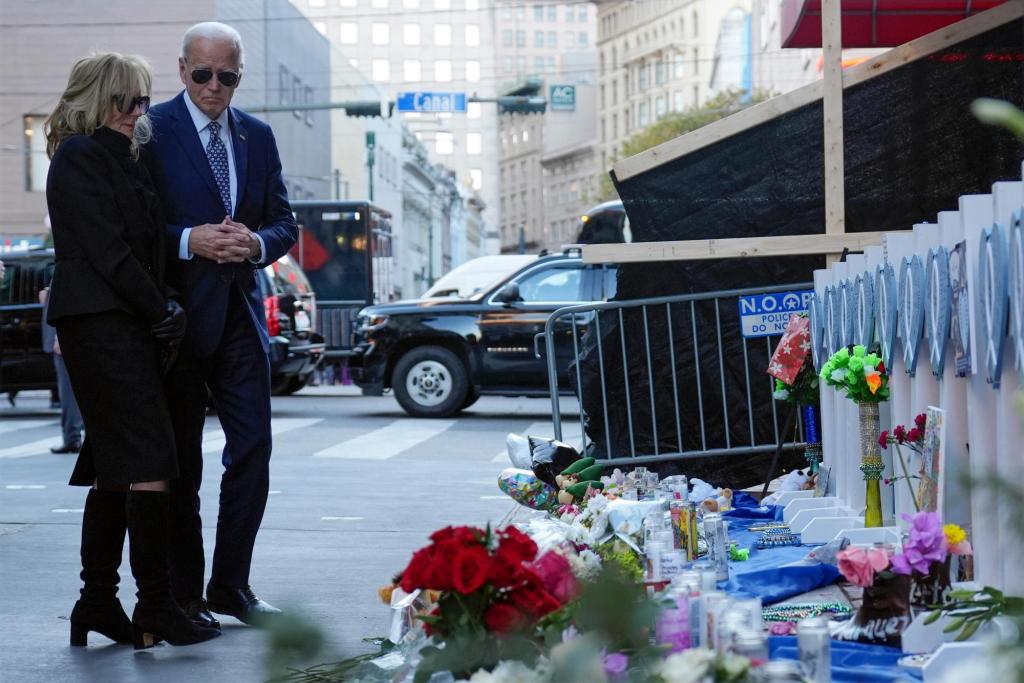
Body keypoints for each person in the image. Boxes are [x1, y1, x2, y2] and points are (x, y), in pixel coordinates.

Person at [44, 52, 220, 649]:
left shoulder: (130, 156)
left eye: (143, 101)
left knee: (118, 470)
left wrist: (167, 301)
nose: (137, 112)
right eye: (126, 101)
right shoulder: (77, 157)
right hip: (98, 323)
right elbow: (107, 251)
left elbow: (151, 245)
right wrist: (161, 309)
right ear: (96, 98)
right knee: (148, 463)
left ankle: (96, 603)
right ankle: (154, 605)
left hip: (133, 324)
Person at [145, 22, 297, 628]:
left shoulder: (257, 137)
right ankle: (184, 596)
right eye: (202, 74)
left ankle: (231, 585)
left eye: (226, 75)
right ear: (181, 71)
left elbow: (286, 222)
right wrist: (189, 240)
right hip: (177, 322)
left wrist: (257, 243)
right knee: (183, 464)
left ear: (239, 75)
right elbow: (132, 225)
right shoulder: (152, 131)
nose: (214, 86)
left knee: (253, 452)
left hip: (239, 316)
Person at [39, 286, 85, 453]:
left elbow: (69, 298)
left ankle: (72, 437)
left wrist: (60, 336)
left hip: (66, 338)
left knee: (68, 392)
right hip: (68, 337)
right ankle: (72, 437)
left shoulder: (69, 262)